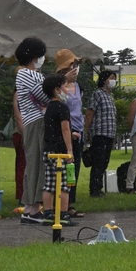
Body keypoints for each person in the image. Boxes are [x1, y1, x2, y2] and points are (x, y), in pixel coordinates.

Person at [15, 36, 49, 223]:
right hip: (37, 122)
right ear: (34, 56)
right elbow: (46, 95)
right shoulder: (29, 74)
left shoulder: (23, 74)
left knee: (33, 163)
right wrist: (61, 83)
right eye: (41, 55)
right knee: (38, 163)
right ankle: (34, 208)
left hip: (31, 122)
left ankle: (30, 207)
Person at [40, 74, 77, 227]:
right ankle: (62, 214)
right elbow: (64, 128)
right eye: (65, 86)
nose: (68, 90)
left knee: (49, 184)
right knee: (64, 185)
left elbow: (53, 128)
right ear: (57, 90)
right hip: (61, 153)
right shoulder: (63, 107)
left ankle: (48, 213)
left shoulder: (49, 108)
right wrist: (70, 150)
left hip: (49, 151)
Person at [56, 50, 85, 218]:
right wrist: (65, 81)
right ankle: (62, 205)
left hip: (79, 130)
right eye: (71, 65)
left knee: (75, 169)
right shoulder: (59, 86)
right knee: (66, 168)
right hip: (66, 129)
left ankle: (71, 203)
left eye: (76, 65)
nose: (75, 69)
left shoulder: (78, 85)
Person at [84, 70, 118, 198]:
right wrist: (87, 130)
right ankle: (95, 189)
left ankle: (98, 187)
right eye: (111, 78)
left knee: (105, 161)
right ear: (104, 80)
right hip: (100, 133)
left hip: (109, 133)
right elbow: (90, 112)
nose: (113, 80)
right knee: (98, 161)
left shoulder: (109, 95)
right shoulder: (98, 94)